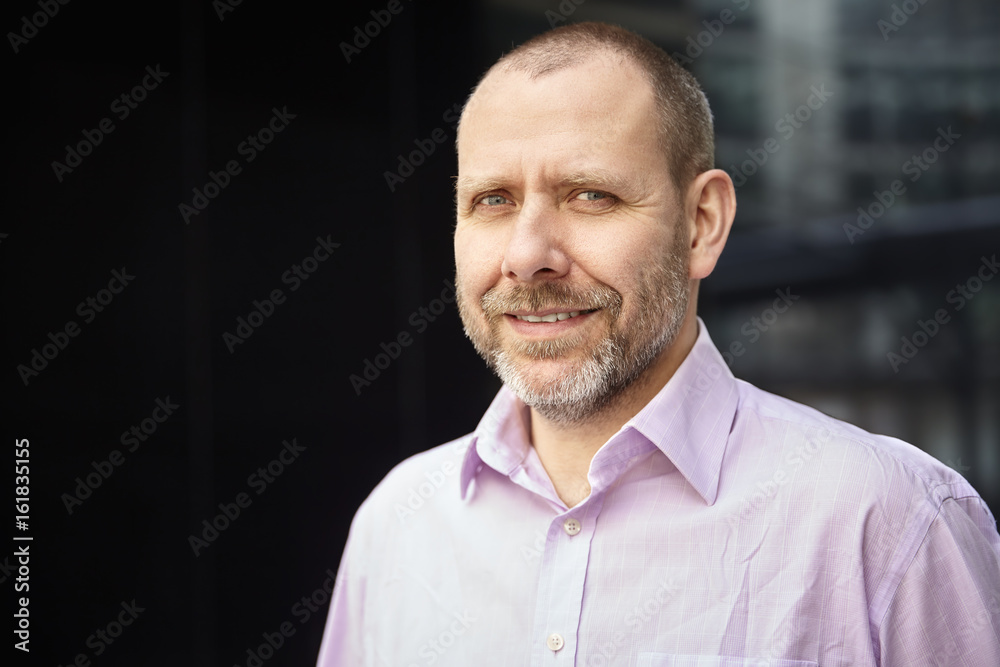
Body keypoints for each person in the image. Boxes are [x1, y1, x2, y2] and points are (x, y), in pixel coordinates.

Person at [317, 21, 1000, 666]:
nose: (527, 257)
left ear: (702, 223)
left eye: (590, 194)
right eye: (492, 200)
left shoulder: (887, 521)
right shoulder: (395, 525)